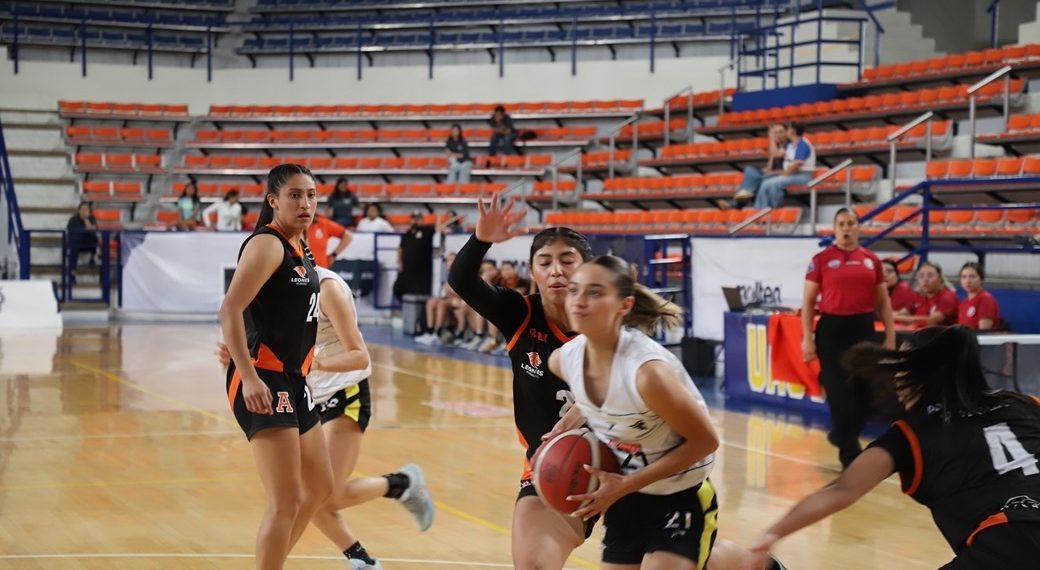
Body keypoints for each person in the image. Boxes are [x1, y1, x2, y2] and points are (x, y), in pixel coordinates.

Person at [748, 325, 1040, 570]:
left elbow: (841, 490)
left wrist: (771, 534)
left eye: (903, 363)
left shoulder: (911, 435)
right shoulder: (1023, 403)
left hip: (1009, 542)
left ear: (919, 372)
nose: (897, 376)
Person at [217, 261, 434, 569]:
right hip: (303, 394)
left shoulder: (327, 288)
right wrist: (237, 355)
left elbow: (359, 356)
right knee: (307, 494)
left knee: (323, 495)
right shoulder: (267, 291)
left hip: (344, 392)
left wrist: (317, 363)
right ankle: (363, 559)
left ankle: (401, 484)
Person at [447, 194, 596, 569]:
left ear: (587, 270)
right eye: (544, 262)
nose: (556, 271)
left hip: (629, 462)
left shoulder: (610, 319)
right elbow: (461, 280)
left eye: (567, 261)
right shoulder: (520, 312)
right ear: (532, 272)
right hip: (554, 466)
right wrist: (481, 240)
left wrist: (592, 404)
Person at [217, 164, 333, 569]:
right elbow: (230, 309)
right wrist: (247, 375)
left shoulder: (302, 247)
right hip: (263, 377)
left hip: (295, 379)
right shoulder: (267, 244)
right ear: (273, 201)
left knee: (320, 486)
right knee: (286, 500)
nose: (305, 203)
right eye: (295, 195)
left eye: (311, 195)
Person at [802, 208, 895, 468]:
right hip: (832, 330)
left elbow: (883, 302)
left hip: (863, 327)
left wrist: (890, 335)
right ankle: (849, 454)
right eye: (841, 224)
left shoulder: (871, 260)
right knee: (839, 391)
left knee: (866, 391)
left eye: (851, 223)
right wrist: (807, 338)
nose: (846, 228)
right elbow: (808, 302)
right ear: (834, 228)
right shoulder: (821, 259)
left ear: (858, 227)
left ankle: (841, 433)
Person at [753, 123, 815, 210]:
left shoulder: (803, 144)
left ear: (793, 131)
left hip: (802, 176)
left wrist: (783, 175)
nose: (786, 132)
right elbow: (775, 154)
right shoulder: (789, 145)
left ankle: (764, 210)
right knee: (765, 181)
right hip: (791, 174)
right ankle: (765, 209)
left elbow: (796, 165)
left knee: (770, 183)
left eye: (788, 129)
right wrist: (772, 138)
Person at [732, 124, 787, 204]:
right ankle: (744, 194)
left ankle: (735, 203)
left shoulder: (788, 145)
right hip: (771, 174)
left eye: (780, 132)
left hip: (782, 175)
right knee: (749, 170)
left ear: (786, 133)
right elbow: (769, 167)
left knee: (756, 183)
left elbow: (776, 154)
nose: (777, 135)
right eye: (775, 132)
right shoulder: (775, 146)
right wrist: (760, 173)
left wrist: (771, 139)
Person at [895, 261, 958, 328]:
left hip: (940, 334)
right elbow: (904, 312)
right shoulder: (918, 295)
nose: (925, 280)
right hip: (919, 332)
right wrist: (889, 315)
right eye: (921, 276)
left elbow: (931, 321)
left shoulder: (947, 297)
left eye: (930, 276)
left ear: (939, 278)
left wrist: (895, 317)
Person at [393, 211, 435, 302]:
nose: (415, 221)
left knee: (417, 294)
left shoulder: (428, 231)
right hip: (406, 270)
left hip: (421, 272)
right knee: (397, 289)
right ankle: (405, 306)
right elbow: (400, 248)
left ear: (422, 220)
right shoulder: (407, 234)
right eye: (414, 218)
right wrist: (399, 262)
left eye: (418, 219)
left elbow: (440, 228)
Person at [958, 262, 1000, 331]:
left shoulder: (986, 299)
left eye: (972, 277)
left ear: (981, 279)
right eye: (964, 277)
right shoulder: (963, 303)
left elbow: (984, 331)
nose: (967, 281)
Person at [66, 201, 98, 274]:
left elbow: (92, 230)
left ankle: (92, 259)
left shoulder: (91, 218)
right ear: (79, 211)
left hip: (88, 242)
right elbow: (71, 233)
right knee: (73, 247)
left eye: (86, 209)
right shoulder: (73, 220)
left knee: (94, 238)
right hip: (77, 243)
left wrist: (86, 219)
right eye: (83, 209)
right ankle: (72, 273)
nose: (84, 211)